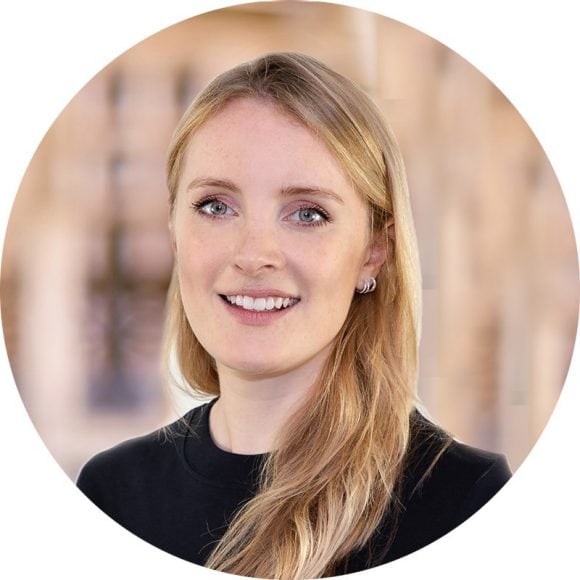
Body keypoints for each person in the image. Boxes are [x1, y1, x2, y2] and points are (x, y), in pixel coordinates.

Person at [77, 52, 511, 578]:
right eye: (216, 206)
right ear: (174, 232)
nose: (254, 254)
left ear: (374, 250)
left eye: (307, 213)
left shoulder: (466, 503)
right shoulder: (111, 496)